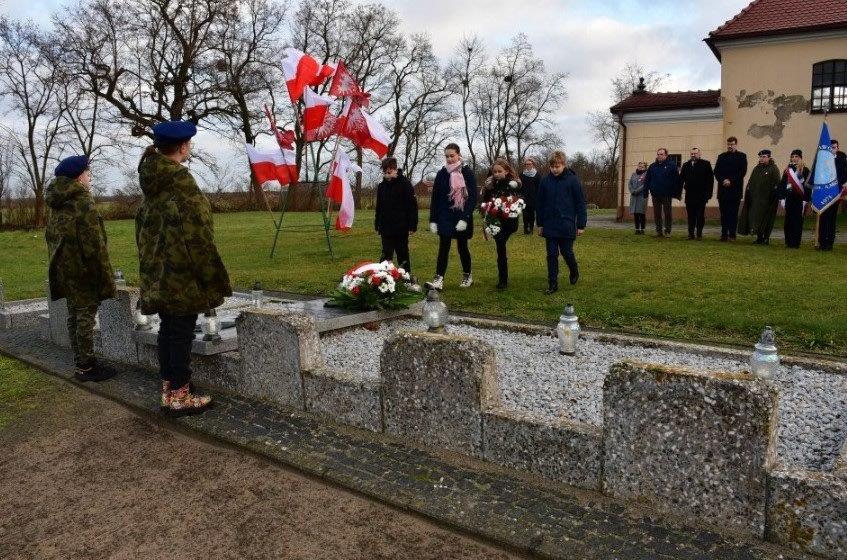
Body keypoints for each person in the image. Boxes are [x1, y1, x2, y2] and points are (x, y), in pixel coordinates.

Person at [136, 120, 232, 415]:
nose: (189, 148)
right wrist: (210, 276)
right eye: (189, 144)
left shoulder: (152, 182)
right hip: (181, 272)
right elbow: (199, 234)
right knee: (180, 333)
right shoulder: (179, 182)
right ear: (182, 147)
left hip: (160, 270)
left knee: (169, 330)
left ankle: (171, 391)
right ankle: (179, 397)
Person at [45, 155, 116, 382]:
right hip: (83, 270)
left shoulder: (57, 201)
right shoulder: (82, 201)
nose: (90, 176)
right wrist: (104, 276)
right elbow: (94, 244)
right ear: (79, 176)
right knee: (85, 315)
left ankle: (81, 361)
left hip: (66, 269)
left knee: (74, 315)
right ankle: (87, 366)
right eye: (88, 172)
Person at [426, 143, 477, 290]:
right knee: (444, 247)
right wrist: (433, 220)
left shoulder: (467, 172)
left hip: (461, 215)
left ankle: (467, 275)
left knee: (462, 247)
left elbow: (472, 197)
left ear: (458, 155)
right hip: (445, 215)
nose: (449, 159)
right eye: (447, 156)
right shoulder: (442, 174)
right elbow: (435, 198)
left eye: (452, 155)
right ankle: (439, 279)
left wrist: (465, 217)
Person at [536, 150, 587, 294]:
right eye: (552, 166)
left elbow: (580, 203)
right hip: (550, 224)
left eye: (557, 166)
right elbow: (539, 203)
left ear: (564, 165)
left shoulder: (573, 180)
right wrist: (540, 224)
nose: (554, 169)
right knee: (551, 255)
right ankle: (552, 284)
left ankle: (574, 270)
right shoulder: (545, 181)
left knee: (566, 252)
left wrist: (581, 224)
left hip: (567, 224)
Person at [374, 158, 419, 289]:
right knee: (386, 253)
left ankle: (406, 278)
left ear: (395, 169)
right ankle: (382, 279)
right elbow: (379, 207)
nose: (388, 174)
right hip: (386, 227)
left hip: (401, 226)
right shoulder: (381, 187)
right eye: (385, 172)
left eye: (390, 171)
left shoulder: (405, 184)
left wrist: (412, 225)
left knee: (402, 253)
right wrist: (377, 224)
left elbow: (412, 206)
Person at [482, 159, 522, 289]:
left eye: (500, 171)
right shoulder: (492, 185)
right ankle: (502, 280)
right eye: (495, 172)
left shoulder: (512, 185)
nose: (497, 174)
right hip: (496, 222)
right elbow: (486, 201)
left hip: (510, 222)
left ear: (506, 171)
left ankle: (503, 280)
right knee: (500, 249)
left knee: (500, 244)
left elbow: (517, 201)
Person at [739, 149, 781, 244]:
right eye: (760, 157)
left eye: (764, 157)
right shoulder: (757, 168)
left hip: (768, 200)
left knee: (766, 220)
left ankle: (766, 238)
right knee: (757, 219)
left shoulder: (773, 168)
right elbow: (751, 182)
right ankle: (759, 237)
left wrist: (773, 197)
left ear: (769, 157)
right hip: (756, 200)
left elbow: (777, 184)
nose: (762, 159)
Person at [714, 137, 748, 241]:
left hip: (735, 190)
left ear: (736, 144)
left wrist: (730, 180)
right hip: (723, 190)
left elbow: (742, 172)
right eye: (728, 144)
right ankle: (724, 234)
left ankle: (732, 234)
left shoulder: (742, 156)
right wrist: (723, 180)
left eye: (732, 144)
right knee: (723, 213)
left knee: (733, 213)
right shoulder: (721, 156)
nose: (730, 146)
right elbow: (716, 172)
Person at [816, 139, 847, 251]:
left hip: (835, 193)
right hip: (824, 192)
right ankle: (821, 241)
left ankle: (829, 242)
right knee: (823, 217)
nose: (832, 149)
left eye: (834, 147)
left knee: (831, 218)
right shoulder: (822, 160)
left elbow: (844, 176)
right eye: (831, 147)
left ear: (837, 148)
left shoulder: (842, 160)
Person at [777, 149, 811, 249]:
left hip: (800, 199)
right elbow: (783, 184)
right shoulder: (788, 170)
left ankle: (796, 243)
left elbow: (807, 186)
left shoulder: (805, 170)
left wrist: (805, 200)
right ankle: (788, 241)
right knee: (788, 221)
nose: (794, 159)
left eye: (796, 157)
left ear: (800, 158)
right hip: (789, 198)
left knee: (797, 221)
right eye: (792, 157)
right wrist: (782, 198)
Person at [679, 147, 714, 240]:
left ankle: (699, 234)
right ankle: (691, 234)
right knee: (690, 216)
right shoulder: (686, 165)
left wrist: (708, 194)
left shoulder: (706, 164)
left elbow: (710, 181)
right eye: (692, 154)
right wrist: (678, 192)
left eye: (695, 153)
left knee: (700, 216)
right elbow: (681, 179)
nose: (693, 155)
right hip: (689, 195)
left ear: (699, 154)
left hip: (701, 196)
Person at [644, 148, 679, 237]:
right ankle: (658, 231)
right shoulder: (652, 166)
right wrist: (646, 191)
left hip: (667, 194)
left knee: (667, 213)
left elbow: (676, 180)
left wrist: (676, 193)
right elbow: (647, 180)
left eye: (661, 154)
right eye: (658, 154)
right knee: (657, 213)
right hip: (655, 194)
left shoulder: (671, 165)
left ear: (666, 155)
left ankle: (668, 231)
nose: (659, 156)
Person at [519, 157, 540, 234]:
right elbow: (519, 186)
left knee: (531, 214)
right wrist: (520, 195)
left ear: (533, 165)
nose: (528, 165)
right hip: (524, 197)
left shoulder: (537, 175)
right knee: (525, 214)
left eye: (529, 164)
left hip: (533, 198)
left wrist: (538, 196)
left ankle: (531, 228)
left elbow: (539, 186)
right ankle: (525, 228)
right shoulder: (522, 174)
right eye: (526, 164)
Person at [628, 162, 648, 234]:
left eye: (642, 167)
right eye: (639, 166)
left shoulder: (646, 175)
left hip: (642, 197)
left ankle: (642, 229)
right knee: (635, 214)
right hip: (634, 197)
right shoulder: (634, 174)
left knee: (642, 214)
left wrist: (636, 191)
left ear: (645, 168)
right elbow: (629, 183)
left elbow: (645, 185)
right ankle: (637, 229)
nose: (640, 168)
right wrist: (632, 190)